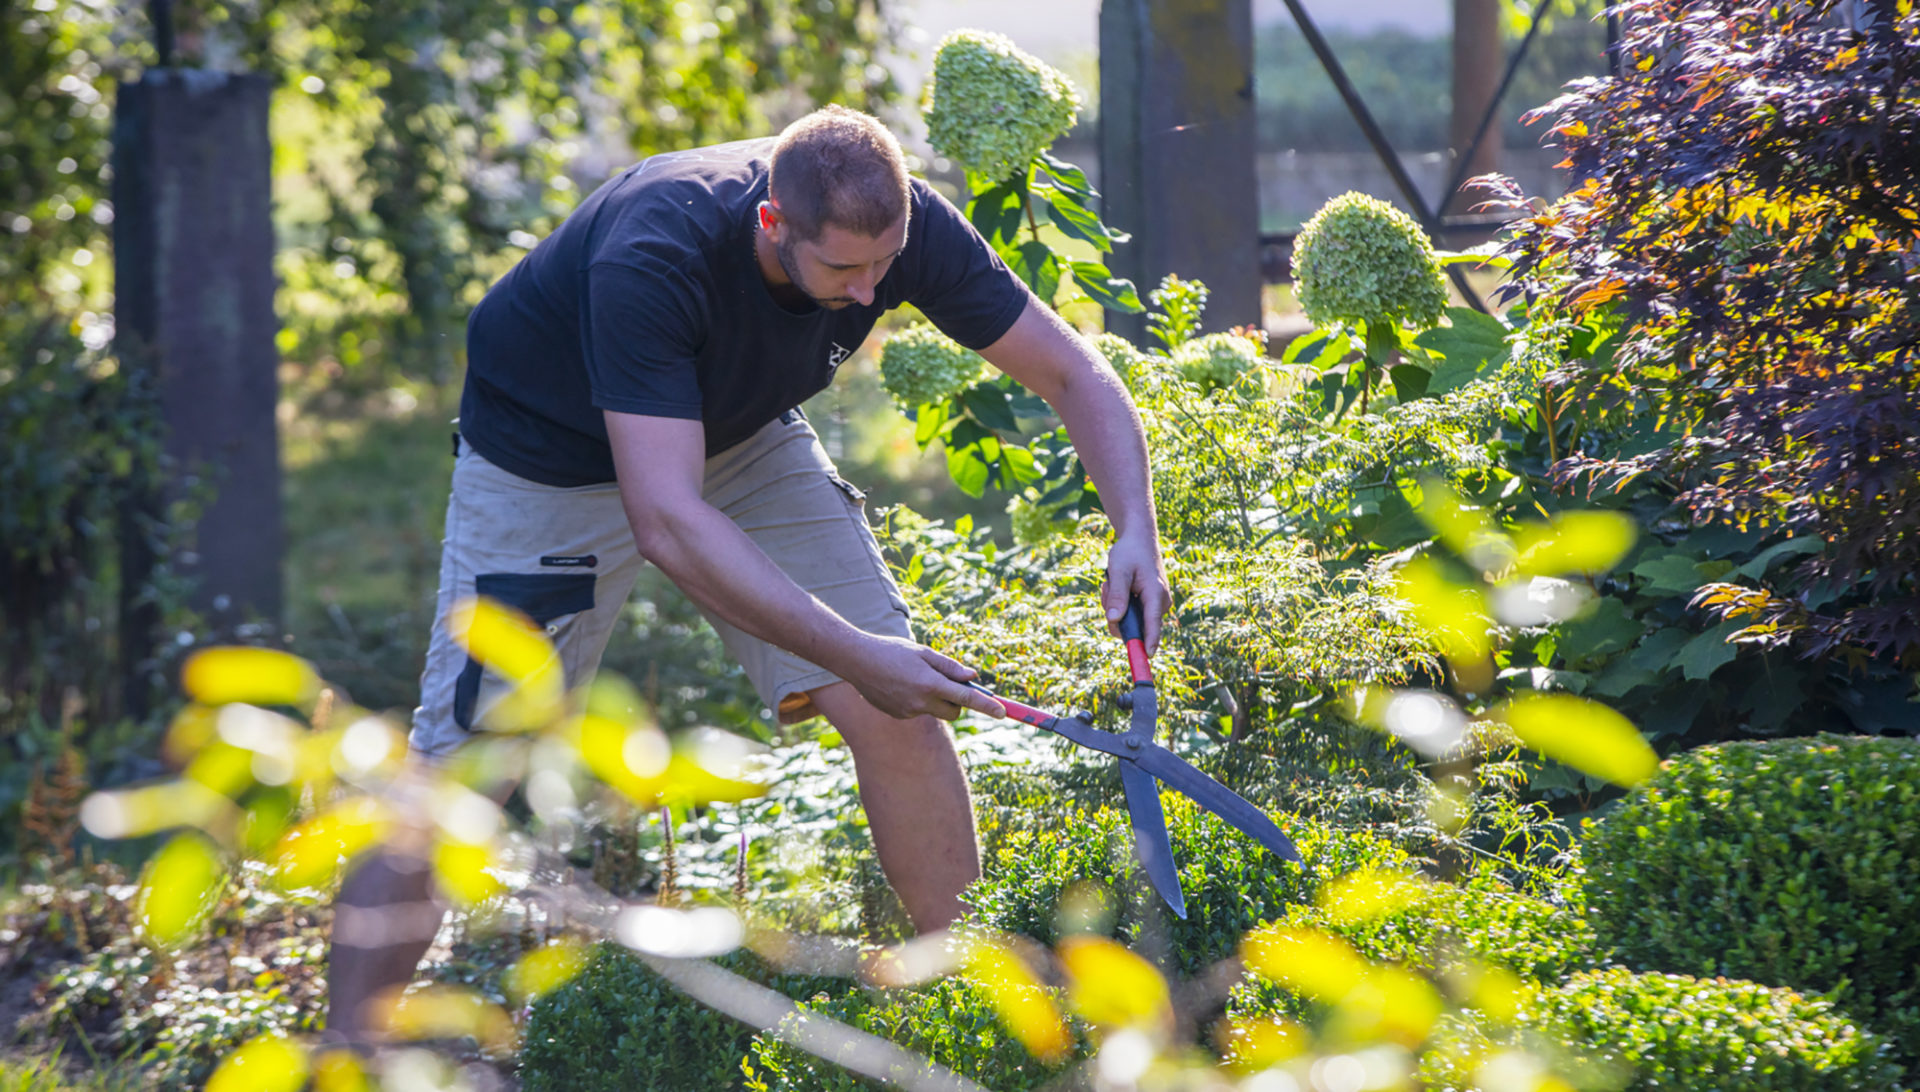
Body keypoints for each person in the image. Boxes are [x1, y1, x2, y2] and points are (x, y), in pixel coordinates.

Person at [324, 104, 1170, 1046]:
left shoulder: (900, 225)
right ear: (774, 223)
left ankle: (979, 1021)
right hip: (548, 464)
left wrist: (1136, 528)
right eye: (843, 270)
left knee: (901, 710)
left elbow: (1073, 375)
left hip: (738, 439)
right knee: (464, 773)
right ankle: (345, 1054)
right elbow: (667, 525)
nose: (869, 293)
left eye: (884, 264)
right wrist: (857, 653)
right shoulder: (655, 253)